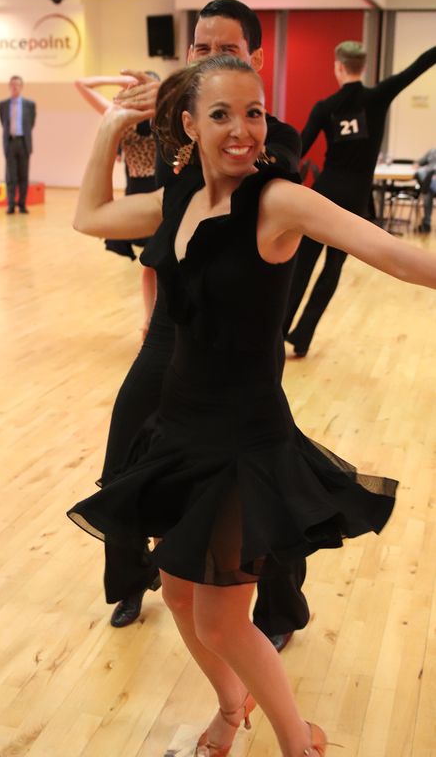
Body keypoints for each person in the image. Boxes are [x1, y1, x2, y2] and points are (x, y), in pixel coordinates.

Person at [67, 54, 436, 757]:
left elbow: (391, 254)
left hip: (244, 442)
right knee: (179, 595)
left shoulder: (277, 201)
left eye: (254, 112)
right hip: (180, 429)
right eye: (222, 114)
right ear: (189, 124)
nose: (242, 130)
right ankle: (230, 710)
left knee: (221, 620)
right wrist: (109, 129)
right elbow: (90, 217)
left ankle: (298, 744)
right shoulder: (178, 200)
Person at [95, 0, 306, 648]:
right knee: (125, 452)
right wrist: (140, 114)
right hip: (173, 325)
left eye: (228, 49)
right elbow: (146, 210)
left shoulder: (272, 136)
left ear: (256, 59)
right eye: (200, 48)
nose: (211, 57)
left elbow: (258, 177)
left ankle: (278, 609)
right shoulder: (176, 125)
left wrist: (189, 108)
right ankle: (131, 578)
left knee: (255, 482)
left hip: (239, 337)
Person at [284, 40, 436, 357]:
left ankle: (279, 332)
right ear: (363, 66)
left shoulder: (325, 107)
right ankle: (303, 336)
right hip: (354, 198)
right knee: (333, 268)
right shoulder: (378, 96)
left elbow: (297, 148)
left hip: (324, 194)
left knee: (302, 265)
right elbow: (417, 67)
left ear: (338, 66)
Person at [75, 74, 159, 336]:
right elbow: (80, 84)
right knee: (150, 261)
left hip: (159, 190)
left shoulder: (165, 115)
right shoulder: (120, 114)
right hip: (136, 190)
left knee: (157, 261)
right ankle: (149, 321)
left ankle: (155, 321)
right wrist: (121, 80)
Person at [0, 76, 36, 215]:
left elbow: (31, 123)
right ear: (9, 86)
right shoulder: (2, 104)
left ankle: (22, 205)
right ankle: (10, 205)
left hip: (24, 143)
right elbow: (3, 123)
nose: (15, 87)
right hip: (10, 143)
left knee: (23, 176)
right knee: (10, 177)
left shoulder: (30, 104)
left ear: (21, 86)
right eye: (13, 84)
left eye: (18, 84)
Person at [415, 147, 436, 233]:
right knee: (427, 193)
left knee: (426, 190)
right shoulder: (432, 151)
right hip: (430, 180)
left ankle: (427, 223)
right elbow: (419, 163)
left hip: (431, 181)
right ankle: (426, 224)